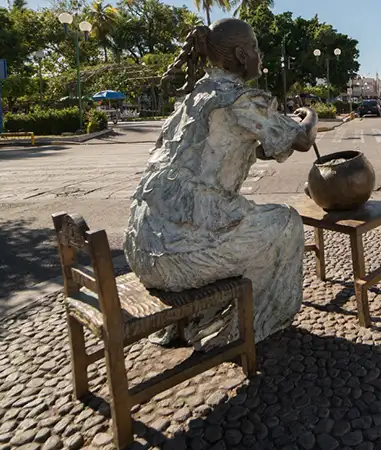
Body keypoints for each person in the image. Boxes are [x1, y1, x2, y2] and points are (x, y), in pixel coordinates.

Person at [127, 18, 318, 350]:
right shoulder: (239, 99)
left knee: (247, 224)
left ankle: (200, 320)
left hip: (142, 247)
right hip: (176, 256)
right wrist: (310, 116)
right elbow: (301, 140)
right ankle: (246, 329)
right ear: (242, 54)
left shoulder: (196, 95)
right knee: (286, 224)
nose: (261, 55)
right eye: (256, 48)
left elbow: (232, 146)